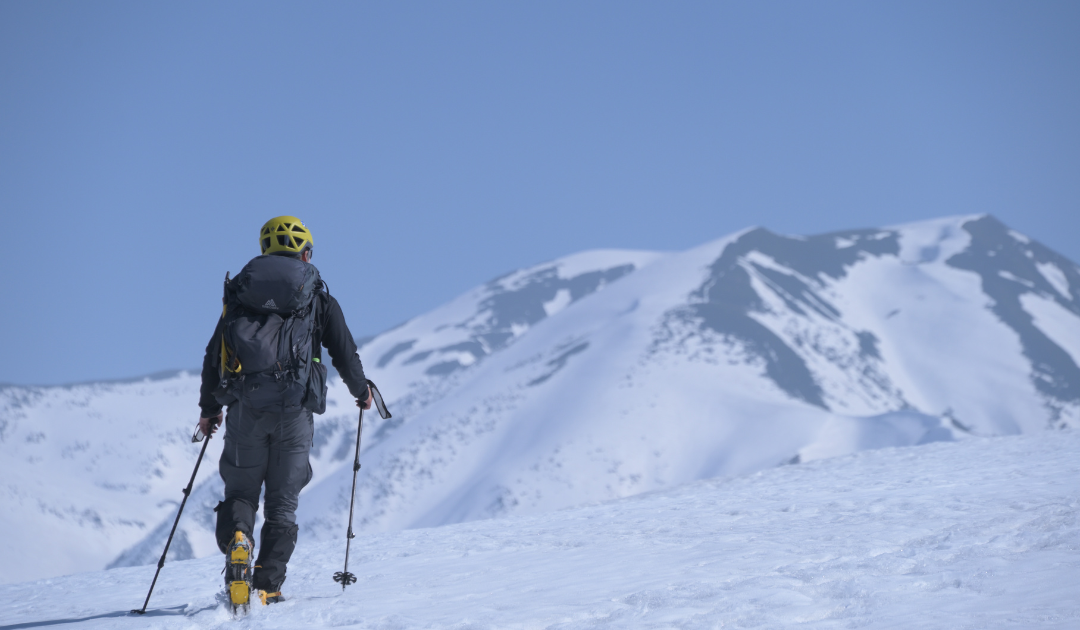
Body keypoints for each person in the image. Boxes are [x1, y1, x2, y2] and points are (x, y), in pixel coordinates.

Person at [197, 216, 372, 607]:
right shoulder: (318, 297)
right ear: (305, 253)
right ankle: (267, 586)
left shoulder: (240, 294)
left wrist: (210, 410)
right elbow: (344, 351)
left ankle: (239, 539)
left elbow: (214, 356)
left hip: (245, 409)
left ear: (264, 251)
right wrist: (362, 392)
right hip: (294, 411)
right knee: (282, 503)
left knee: (241, 491)